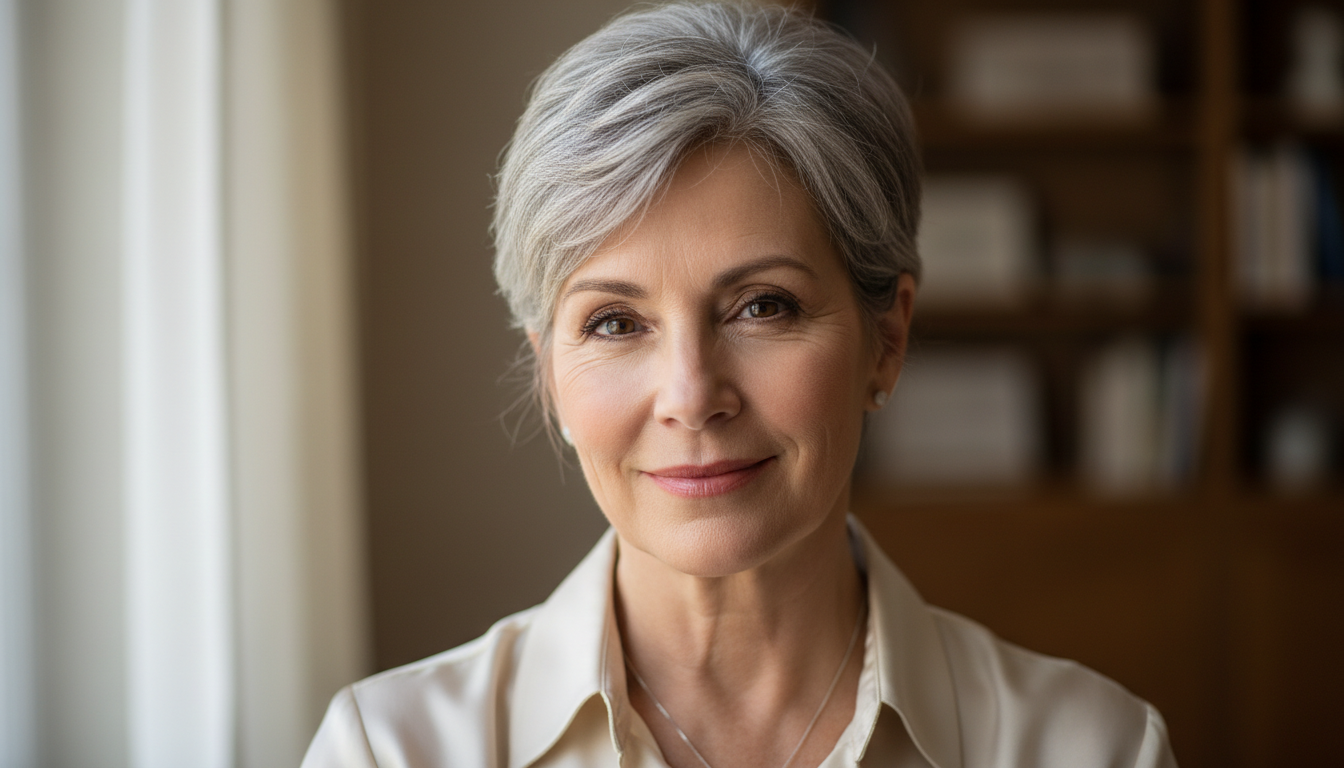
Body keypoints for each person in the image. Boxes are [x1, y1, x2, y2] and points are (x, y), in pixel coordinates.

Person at [302, 3, 1178, 767]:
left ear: (888, 337)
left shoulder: (1094, 749)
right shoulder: (390, 751)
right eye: (614, 321)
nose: (691, 394)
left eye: (763, 306)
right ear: (549, 372)